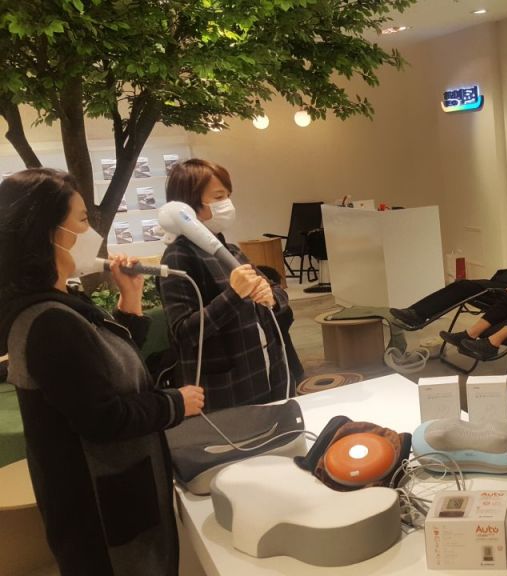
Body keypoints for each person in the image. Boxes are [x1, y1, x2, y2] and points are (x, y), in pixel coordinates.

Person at [0, 168, 205, 575]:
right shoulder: (48, 321)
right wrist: (174, 404)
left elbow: (103, 366)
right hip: (100, 512)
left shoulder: (60, 304)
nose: (91, 232)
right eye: (81, 220)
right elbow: (103, 417)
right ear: (48, 233)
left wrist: (130, 298)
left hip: (117, 491)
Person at [160, 159, 293, 410]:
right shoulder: (179, 256)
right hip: (228, 390)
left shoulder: (230, 251)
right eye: (219, 197)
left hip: (268, 374)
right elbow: (184, 333)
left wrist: (272, 297)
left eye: (228, 196)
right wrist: (233, 295)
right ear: (187, 206)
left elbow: (277, 292)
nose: (227, 204)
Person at [388, 233, 507, 328]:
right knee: (462, 286)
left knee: (464, 286)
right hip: (501, 285)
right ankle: (416, 312)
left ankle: (417, 314)